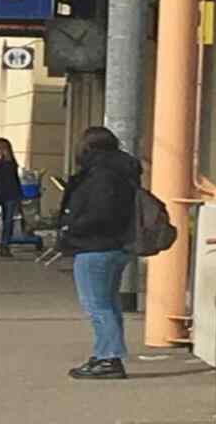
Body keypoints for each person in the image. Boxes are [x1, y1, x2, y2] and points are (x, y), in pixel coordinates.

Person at [60, 126, 139, 380]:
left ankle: (109, 358)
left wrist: (72, 227)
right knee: (109, 303)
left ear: (89, 147)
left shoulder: (100, 175)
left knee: (96, 305)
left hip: (94, 246)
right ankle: (105, 352)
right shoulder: (122, 171)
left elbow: (99, 212)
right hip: (116, 245)